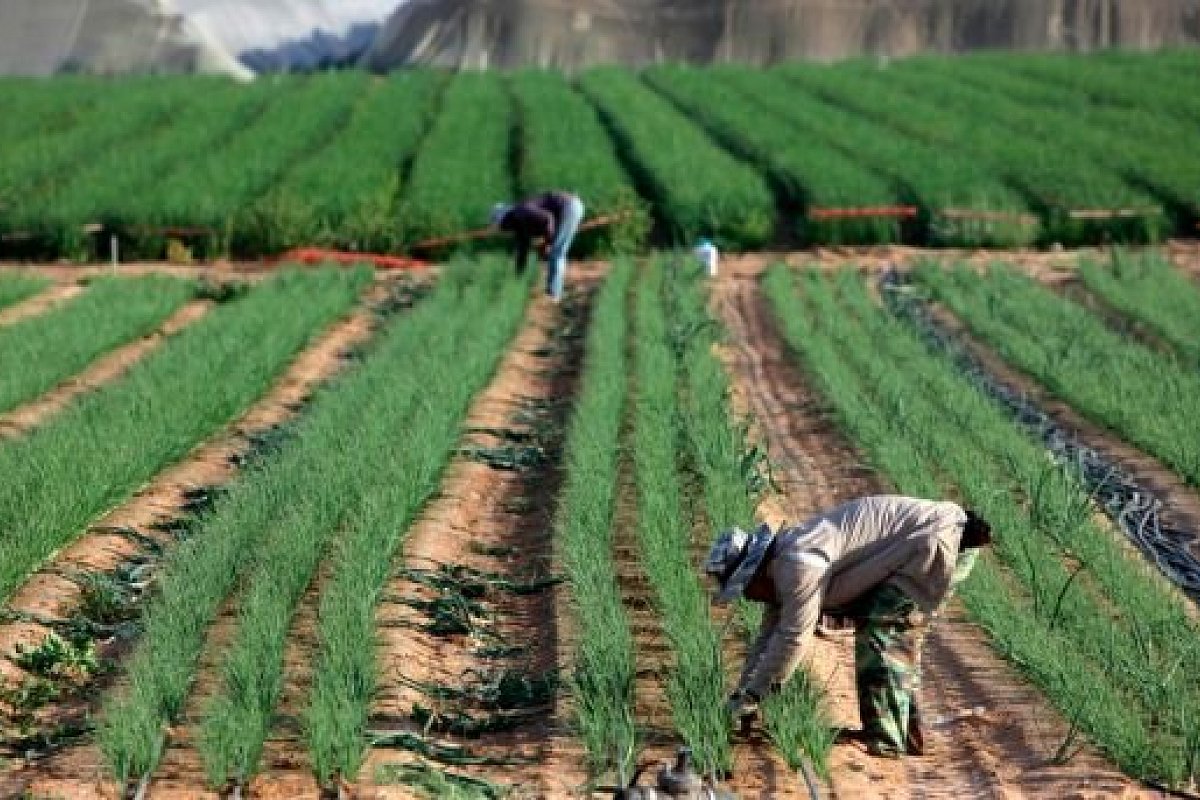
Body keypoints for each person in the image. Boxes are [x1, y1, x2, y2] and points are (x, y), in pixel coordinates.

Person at [703, 495, 992, 757]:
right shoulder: (782, 563)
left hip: (935, 542)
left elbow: (792, 639)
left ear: (752, 574)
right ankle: (904, 732)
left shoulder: (797, 566)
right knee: (890, 633)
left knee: (882, 635)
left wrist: (754, 696)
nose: (749, 597)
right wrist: (742, 695)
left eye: (744, 589)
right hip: (935, 536)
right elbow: (767, 640)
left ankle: (887, 741)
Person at [490, 191, 585, 302]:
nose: (505, 229)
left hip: (569, 207)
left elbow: (548, 219)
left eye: (503, 226)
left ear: (505, 218)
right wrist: (518, 279)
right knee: (556, 252)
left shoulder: (521, 211)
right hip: (568, 208)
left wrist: (548, 243)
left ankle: (553, 294)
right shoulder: (519, 223)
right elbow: (522, 251)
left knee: (557, 253)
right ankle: (553, 291)